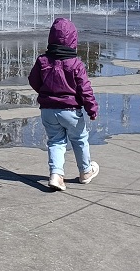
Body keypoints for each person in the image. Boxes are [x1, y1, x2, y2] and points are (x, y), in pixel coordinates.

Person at [28, 17, 99, 191]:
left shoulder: (43, 61)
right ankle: (85, 171)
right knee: (80, 139)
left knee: (55, 141)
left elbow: (33, 80)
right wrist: (91, 108)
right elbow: (85, 89)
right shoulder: (75, 64)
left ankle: (56, 175)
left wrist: (45, 93)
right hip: (71, 111)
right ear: (73, 40)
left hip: (48, 110)